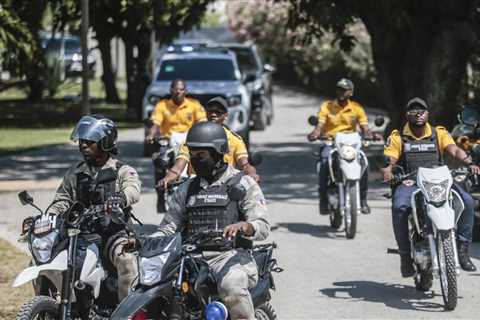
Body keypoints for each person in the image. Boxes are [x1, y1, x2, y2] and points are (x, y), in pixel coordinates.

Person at [152, 121, 270, 320]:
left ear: (218, 153)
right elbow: (169, 226)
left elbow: (263, 226)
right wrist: (146, 241)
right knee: (156, 288)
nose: (195, 160)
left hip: (231, 256)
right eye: (192, 155)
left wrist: (246, 226)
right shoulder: (187, 188)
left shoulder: (242, 183)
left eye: (201, 155)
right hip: (190, 258)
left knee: (230, 286)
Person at [381, 97, 479, 276]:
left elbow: (454, 149)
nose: (418, 114)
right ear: (407, 115)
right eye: (413, 110)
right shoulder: (398, 136)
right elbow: (390, 158)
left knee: (467, 202)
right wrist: (388, 170)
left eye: (422, 110)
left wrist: (468, 161)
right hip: (411, 180)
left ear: (427, 113)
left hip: (439, 179)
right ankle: (404, 256)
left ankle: (463, 251)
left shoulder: (438, 133)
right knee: (399, 207)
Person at [49, 115, 141, 300]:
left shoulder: (121, 170)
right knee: (44, 258)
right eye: (82, 141)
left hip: (112, 234)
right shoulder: (75, 173)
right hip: (78, 235)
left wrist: (120, 198)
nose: (83, 145)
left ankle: (125, 312)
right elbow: (62, 200)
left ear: (105, 143)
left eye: (89, 142)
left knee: (127, 261)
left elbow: (133, 189)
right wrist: (49, 216)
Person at [158, 96, 260, 188]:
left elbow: (245, 165)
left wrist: (252, 174)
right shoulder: (194, 137)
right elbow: (179, 165)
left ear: (226, 115)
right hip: (196, 185)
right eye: (210, 111)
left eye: (218, 112)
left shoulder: (235, 140)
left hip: (225, 186)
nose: (213, 114)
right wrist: (167, 179)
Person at [307, 78, 374, 214]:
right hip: (331, 142)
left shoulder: (357, 108)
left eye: (344, 90)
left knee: (364, 163)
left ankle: (362, 199)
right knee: (325, 161)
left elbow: (364, 127)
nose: (341, 92)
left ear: (351, 92)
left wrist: (369, 134)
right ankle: (323, 200)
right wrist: (315, 133)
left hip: (351, 144)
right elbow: (320, 124)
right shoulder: (327, 106)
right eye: (339, 89)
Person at [145, 79, 206, 145]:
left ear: (186, 91)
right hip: (168, 142)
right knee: (160, 155)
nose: (178, 92)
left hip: (188, 142)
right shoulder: (162, 105)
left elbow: (202, 123)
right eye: (175, 89)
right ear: (171, 90)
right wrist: (151, 135)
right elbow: (156, 124)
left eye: (181, 89)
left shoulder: (194, 104)